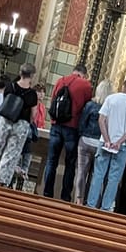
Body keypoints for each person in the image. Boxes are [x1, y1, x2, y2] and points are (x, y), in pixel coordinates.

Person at [86, 73, 126, 211]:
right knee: (114, 178)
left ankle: (91, 205)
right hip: (122, 146)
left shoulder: (111, 98)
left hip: (105, 142)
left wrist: (107, 139)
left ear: (123, 84)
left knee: (98, 174)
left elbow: (101, 120)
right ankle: (105, 208)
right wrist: (119, 141)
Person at [0, 63, 38, 187]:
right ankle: (1, 182)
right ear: (32, 76)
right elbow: (33, 114)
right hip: (21, 124)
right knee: (11, 154)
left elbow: (5, 102)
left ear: (20, 73)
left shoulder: (10, 87)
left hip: (5, 120)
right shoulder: (32, 94)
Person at [43, 64, 93, 201]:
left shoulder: (61, 80)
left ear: (74, 71)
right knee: (70, 163)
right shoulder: (86, 85)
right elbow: (87, 107)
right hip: (72, 127)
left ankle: (47, 193)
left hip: (56, 124)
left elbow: (53, 99)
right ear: (84, 74)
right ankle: (65, 196)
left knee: (51, 161)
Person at [74, 79, 112, 204]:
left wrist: (81, 135)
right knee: (95, 175)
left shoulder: (90, 105)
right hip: (100, 143)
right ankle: (90, 201)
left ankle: (79, 199)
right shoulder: (110, 109)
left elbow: (82, 122)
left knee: (81, 172)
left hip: (86, 141)